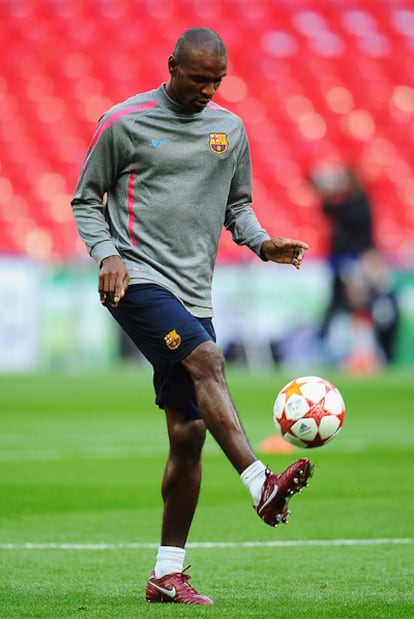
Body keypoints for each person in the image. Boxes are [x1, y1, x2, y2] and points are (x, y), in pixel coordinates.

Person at [71, 27, 312, 606]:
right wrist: (106, 254)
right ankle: (260, 482)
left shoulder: (228, 130)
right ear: (172, 65)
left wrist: (260, 243)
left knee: (189, 435)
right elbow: (86, 198)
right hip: (134, 278)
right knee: (206, 358)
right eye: (198, 77)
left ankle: (166, 574)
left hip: (194, 293)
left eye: (217, 81)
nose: (208, 89)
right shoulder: (123, 122)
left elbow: (238, 205)